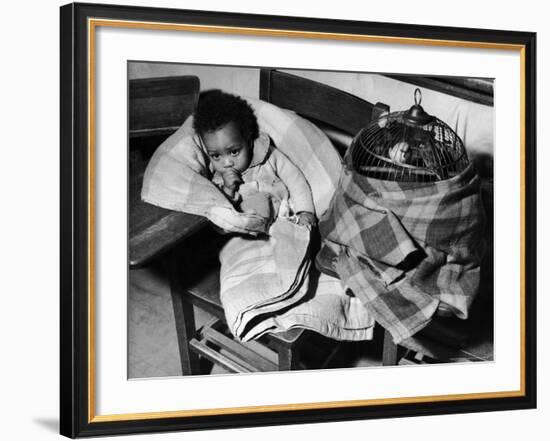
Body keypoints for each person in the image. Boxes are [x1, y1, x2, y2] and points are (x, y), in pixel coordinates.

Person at [193, 89, 316, 227]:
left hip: (281, 219)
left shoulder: (269, 156)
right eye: (216, 156)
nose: (227, 163)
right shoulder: (218, 178)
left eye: (234, 152)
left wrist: (304, 210)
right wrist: (228, 190)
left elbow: (295, 180)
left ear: (249, 142)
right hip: (245, 228)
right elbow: (220, 210)